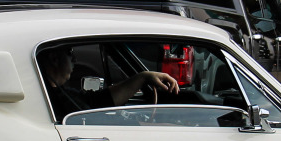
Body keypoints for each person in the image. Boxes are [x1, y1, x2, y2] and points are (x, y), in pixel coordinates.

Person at [38, 45, 179, 121]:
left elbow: (97, 100)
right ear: (55, 59)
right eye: (70, 53)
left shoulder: (58, 94)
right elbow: (94, 107)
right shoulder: (53, 100)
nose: (75, 60)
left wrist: (143, 77)